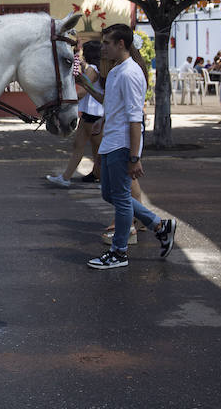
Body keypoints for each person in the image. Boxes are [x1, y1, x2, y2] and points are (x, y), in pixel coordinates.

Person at [81, 24, 177, 269]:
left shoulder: (130, 73)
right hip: (110, 140)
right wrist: (85, 84)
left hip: (123, 144)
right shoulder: (115, 71)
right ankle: (159, 225)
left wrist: (135, 157)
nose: (103, 48)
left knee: (121, 198)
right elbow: (108, 101)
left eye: (107, 43)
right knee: (109, 194)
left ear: (120, 44)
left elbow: (136, 118)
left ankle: (119, 252)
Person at [46, 40, 104, 187]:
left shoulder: (92, 69)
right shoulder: (98, 68)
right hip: (96, 112)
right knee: (93, 148)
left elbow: (84, 91)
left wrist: (68, 99)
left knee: (83, 147)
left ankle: (67, 178)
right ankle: (98, 177)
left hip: (91, 113)